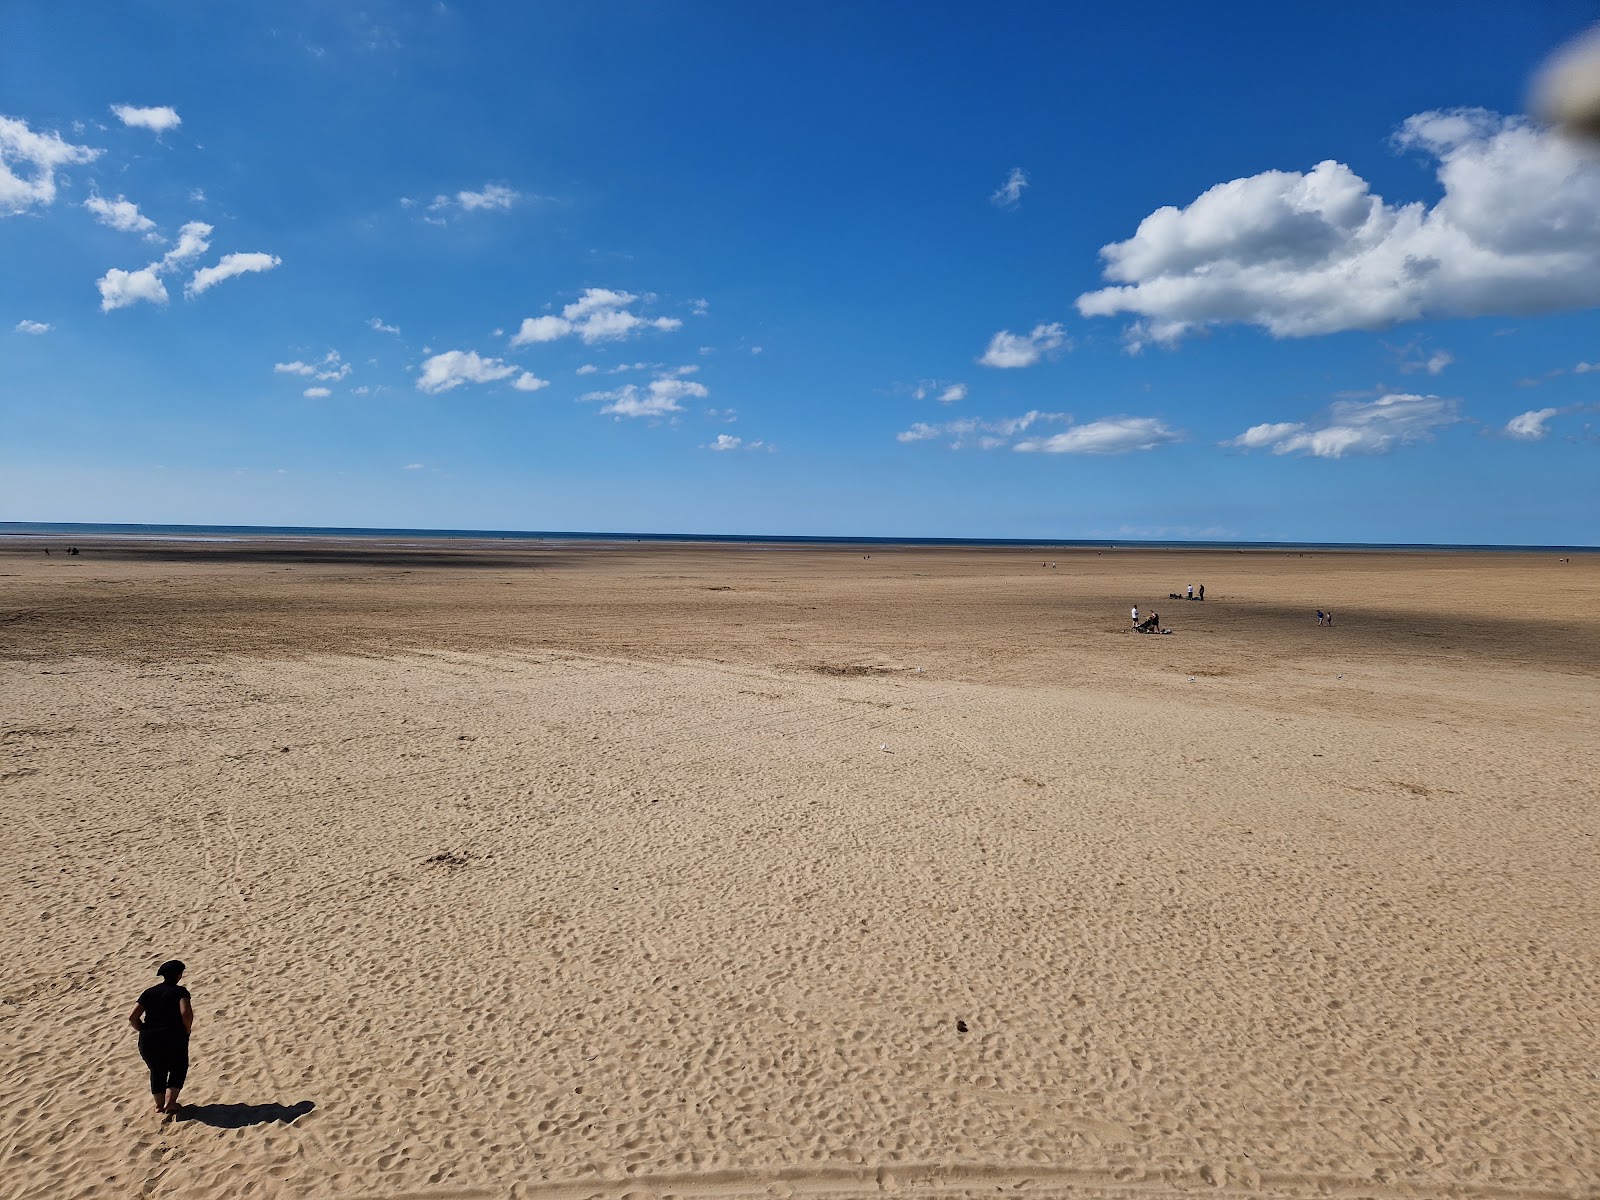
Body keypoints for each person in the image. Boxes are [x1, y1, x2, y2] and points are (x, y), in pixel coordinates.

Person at [129, 959, 193, 1115]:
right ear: (179, 975)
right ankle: (171, 1103)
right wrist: (187, 1029)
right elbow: (185, 1013)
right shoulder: (181, 992)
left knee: (157, 1070)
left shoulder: (149, 992)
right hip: (174, 1036)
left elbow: (132, 1017)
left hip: (149, 1038)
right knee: (178, 1067)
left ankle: (159, 1106)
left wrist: (143, 1029)